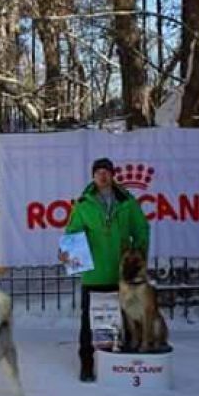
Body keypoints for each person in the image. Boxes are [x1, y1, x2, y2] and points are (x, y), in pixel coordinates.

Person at [61, 157, 149, 382]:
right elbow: (72, 232)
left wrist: (139, 255)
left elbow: (141, 228)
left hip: (122, 275)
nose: (102, 175)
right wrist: (69, 254)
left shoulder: (128, 202)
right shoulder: (83, 204)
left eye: (106, 171)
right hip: (94, 274)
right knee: (89, 322)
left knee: (127, 318)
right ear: (93, 176)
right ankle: (87, 364)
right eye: (98, 172)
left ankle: (124, 363)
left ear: (112, 175)